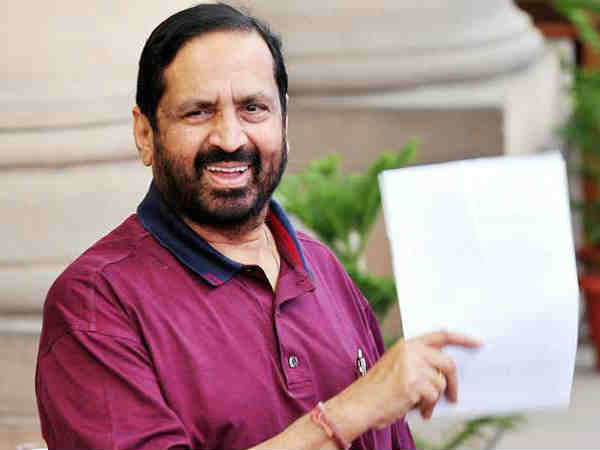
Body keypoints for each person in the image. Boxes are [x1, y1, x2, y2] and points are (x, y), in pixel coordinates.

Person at [35, 3, 481, 449]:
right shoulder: (96, 304)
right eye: (198, 112)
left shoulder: (322, 268)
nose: (230, 139)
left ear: (283, 120)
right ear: (145, 133)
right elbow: (361, 411)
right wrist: (349, 413)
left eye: (253, 108)